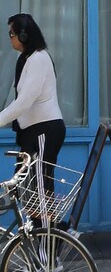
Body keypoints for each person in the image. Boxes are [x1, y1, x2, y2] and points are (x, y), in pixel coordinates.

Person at [0, 14, 66, 203]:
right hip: (32, 132)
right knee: (25, 188)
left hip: (44, 130)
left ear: (23, 36)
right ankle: (34, 232)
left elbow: (24, 102)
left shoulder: (38, 59)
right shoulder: (26, 59)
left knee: (39, 189)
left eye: (11, 34)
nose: (10, 38)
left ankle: (47, 232)